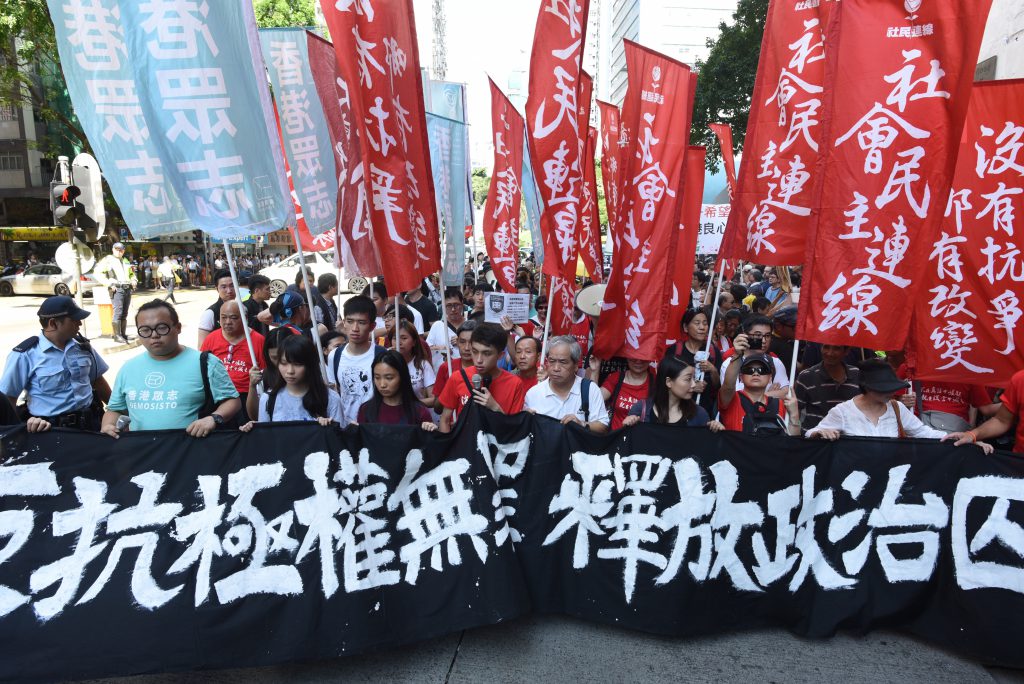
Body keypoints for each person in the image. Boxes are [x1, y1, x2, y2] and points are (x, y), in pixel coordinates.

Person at [101, 300, 240, 437]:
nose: (154, 335)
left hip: (189, 450)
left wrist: (213, 419)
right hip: (142, 452)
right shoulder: (128, 368)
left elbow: (232, 401)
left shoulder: (206, 362)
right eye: (145, 330)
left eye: (161, 327)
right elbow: (115, 409)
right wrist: (108, 426)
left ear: (178, 327)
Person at [0, 296, 111, 431]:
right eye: (74, 320)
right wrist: (14, 433)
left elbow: (97, 380)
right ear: (53, 323)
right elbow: (8, 398)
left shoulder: (83, 346)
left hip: (91, 424)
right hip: (50, 430)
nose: (80, 324)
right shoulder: (25, 355)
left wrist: (117, 412)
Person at [807, 359, 946, 441]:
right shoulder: (842, 412)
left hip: (891, 482)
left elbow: (924, 433)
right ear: (866, 388)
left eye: (891, 388)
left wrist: (956, 437)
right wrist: (818, 433)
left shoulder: (897, 408)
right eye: (884, 389)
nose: (891, 392)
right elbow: (811, 433)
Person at [238, 335, 341, 428]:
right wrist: (253, 428)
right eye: (284, 363)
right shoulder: (268, 400)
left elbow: (339, 439)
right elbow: (265, 438)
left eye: (297, 364)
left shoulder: (330, 398)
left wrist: (328, 427)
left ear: (310, 365)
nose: (290, 371)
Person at [438, 322, 526, 432]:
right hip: (465, 446)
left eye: (487, 353)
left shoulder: (515, 384)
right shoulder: (458, 377)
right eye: (474, 351)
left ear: (500, 355)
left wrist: (495, 408)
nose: (479, 360)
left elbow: (515, 429)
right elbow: (445, 420)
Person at [525, 336, 609, 432]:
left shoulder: (590, 390)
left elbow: (603, 425)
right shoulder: (534, 394)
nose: (556, 368)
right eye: (551, 361)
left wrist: (581, 424)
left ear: (576, 365)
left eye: (563, 362)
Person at [199, 300, 265, 424]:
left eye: (234, 318)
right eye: (223, 318)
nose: (228, 322)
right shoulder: (211, 339)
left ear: (245, 318)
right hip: (217, 395)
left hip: (246, 396)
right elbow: (201, 369)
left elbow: (266, 373)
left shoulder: (258, 341)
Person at [327, 295, 387, 424]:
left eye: (361, 322)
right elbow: (334, 393)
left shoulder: (382, 355)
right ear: (344, 322)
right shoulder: (335, 355)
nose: (355, 328)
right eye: (350, 321)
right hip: (344, 428)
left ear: (372, 326)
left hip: (374, 427)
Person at [623, 355, 724, 430]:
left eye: (693, 378)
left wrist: (716, 432)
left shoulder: (700, 415)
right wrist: (626, 427)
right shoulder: (641, 410)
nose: (693, 384)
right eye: (688, 379)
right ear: (669, 382)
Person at [718, 349, 799, 436]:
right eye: (749, 370)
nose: (756, 373)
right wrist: (737, 355)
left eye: (762, 370)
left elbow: (792, 442)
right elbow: (728, 385)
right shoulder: (732, 400)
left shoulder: (780, 404)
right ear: (741, 377)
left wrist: (794, 414)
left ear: (770, 378)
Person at [945, 369, 1024, 456]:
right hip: (1019, 460)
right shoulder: (1020, 379)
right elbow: (1001, 421)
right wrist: (972, 435)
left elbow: (987, 410)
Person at [357, 350, 436, 428]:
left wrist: (430, 429)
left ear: (402, 376)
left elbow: (427, 439)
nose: (382, 384)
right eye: (377, 378)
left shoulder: (419, 412)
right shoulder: (366, 410)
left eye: (389, 378)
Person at [667, 307, 722, 418]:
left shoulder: (713, 351)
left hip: (704, 412)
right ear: (686, 327)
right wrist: (691, 387)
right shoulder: (675, 351)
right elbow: (667, 382)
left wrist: (713, 370)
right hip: (677, 411)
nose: (702, 327)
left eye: (705, 323)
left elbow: (718, 386)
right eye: (697, 323)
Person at [795, 344, 861, 433]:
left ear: (846, 351)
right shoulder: (806, 376)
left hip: (848, 440)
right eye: (826, 347)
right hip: (813, 440)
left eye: (836, 348)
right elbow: (795, 411)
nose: (830, 353)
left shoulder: (857, 375)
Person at [719, 315, 790, 392]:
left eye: (767, 335)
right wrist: (768, 396)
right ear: (744, 335)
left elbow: (785, 392)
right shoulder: (729, 365)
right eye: (758, 335)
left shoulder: (775, 363)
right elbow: (733, 397)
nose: (763, 340)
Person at [245, 326, 292, 421]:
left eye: (285, 357)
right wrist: (252, 386)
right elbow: (255, 416)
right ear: (267, 355)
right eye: (274, 358)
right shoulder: (263, 377)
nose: (280, 362)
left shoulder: (307, 372)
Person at [594, 358, 655, 430]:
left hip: (642, 436)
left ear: (650, 359)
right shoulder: (616, 377)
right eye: (634, 358)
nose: (638, 361)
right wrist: (594, 370)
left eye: (643, 358)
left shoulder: (655, 381)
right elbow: (595, 398)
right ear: (627, 358)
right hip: (616, 436)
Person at [95, 242, 137, 343]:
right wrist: (109, 284)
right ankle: (117, 336)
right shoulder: (108, 260)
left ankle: (122, 334)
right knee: (118, 312)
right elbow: (97, 273)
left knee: (124, 313)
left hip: (127, 288)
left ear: (123, 251)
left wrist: (134, 280)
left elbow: (131, 273)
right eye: (117, 249)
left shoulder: (125, 260)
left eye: (121, 250)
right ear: (113, 249)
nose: (119, 252)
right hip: (117, 288)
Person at [432, 320, 476, 407]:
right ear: (457, 342)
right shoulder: (446, 367)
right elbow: (437, 408)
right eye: (462, 342)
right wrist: (450, 389)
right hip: (452, 419)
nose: (467, 348)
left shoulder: (485, 369)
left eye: (471, 342)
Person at [396, 319, 437, 411]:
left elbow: (433, 399)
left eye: (404, 338)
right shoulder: (385, 363)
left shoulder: (422, 365)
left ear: (414, 341)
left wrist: (412, 404)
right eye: (395, 338)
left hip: (416, 416)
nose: (399, 342)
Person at [426, 287, 467, 370]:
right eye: (448, 306)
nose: (453, 309)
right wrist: (440, 349)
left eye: (456, 305)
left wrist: (462, 341)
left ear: (462, 304)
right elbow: (426, 350)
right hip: (443, 373)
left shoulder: (470, 324)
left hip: (466, 372)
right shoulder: (437, 326)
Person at [197, 270, 237, 344]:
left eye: (232, 285)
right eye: (224, 287)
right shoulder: (210, 313)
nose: (229, 291)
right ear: (217, 289)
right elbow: (202, 347)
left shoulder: (243, 309)